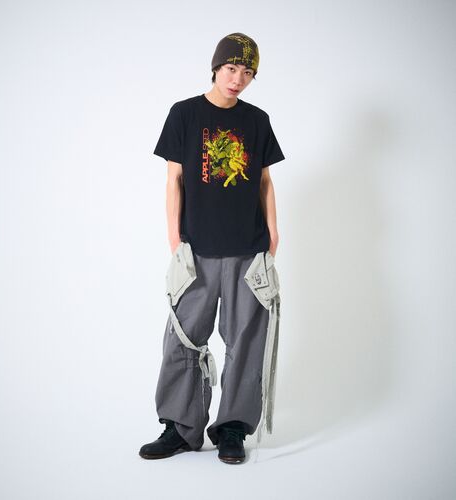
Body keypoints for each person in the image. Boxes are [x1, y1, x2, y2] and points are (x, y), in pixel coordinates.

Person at [139, 32, 285, 464]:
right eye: (231, 68)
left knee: (246, 341)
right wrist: (174, 238)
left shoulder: (257, 120)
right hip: (197, 250)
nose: (238, 79)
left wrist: (273, 233)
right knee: (184, 337)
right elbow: (174, 179)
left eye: (247, 72)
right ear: (216, 68)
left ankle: (232, 428)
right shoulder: (184, 114)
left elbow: (264, 180)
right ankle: (180, 428)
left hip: (247, 251)